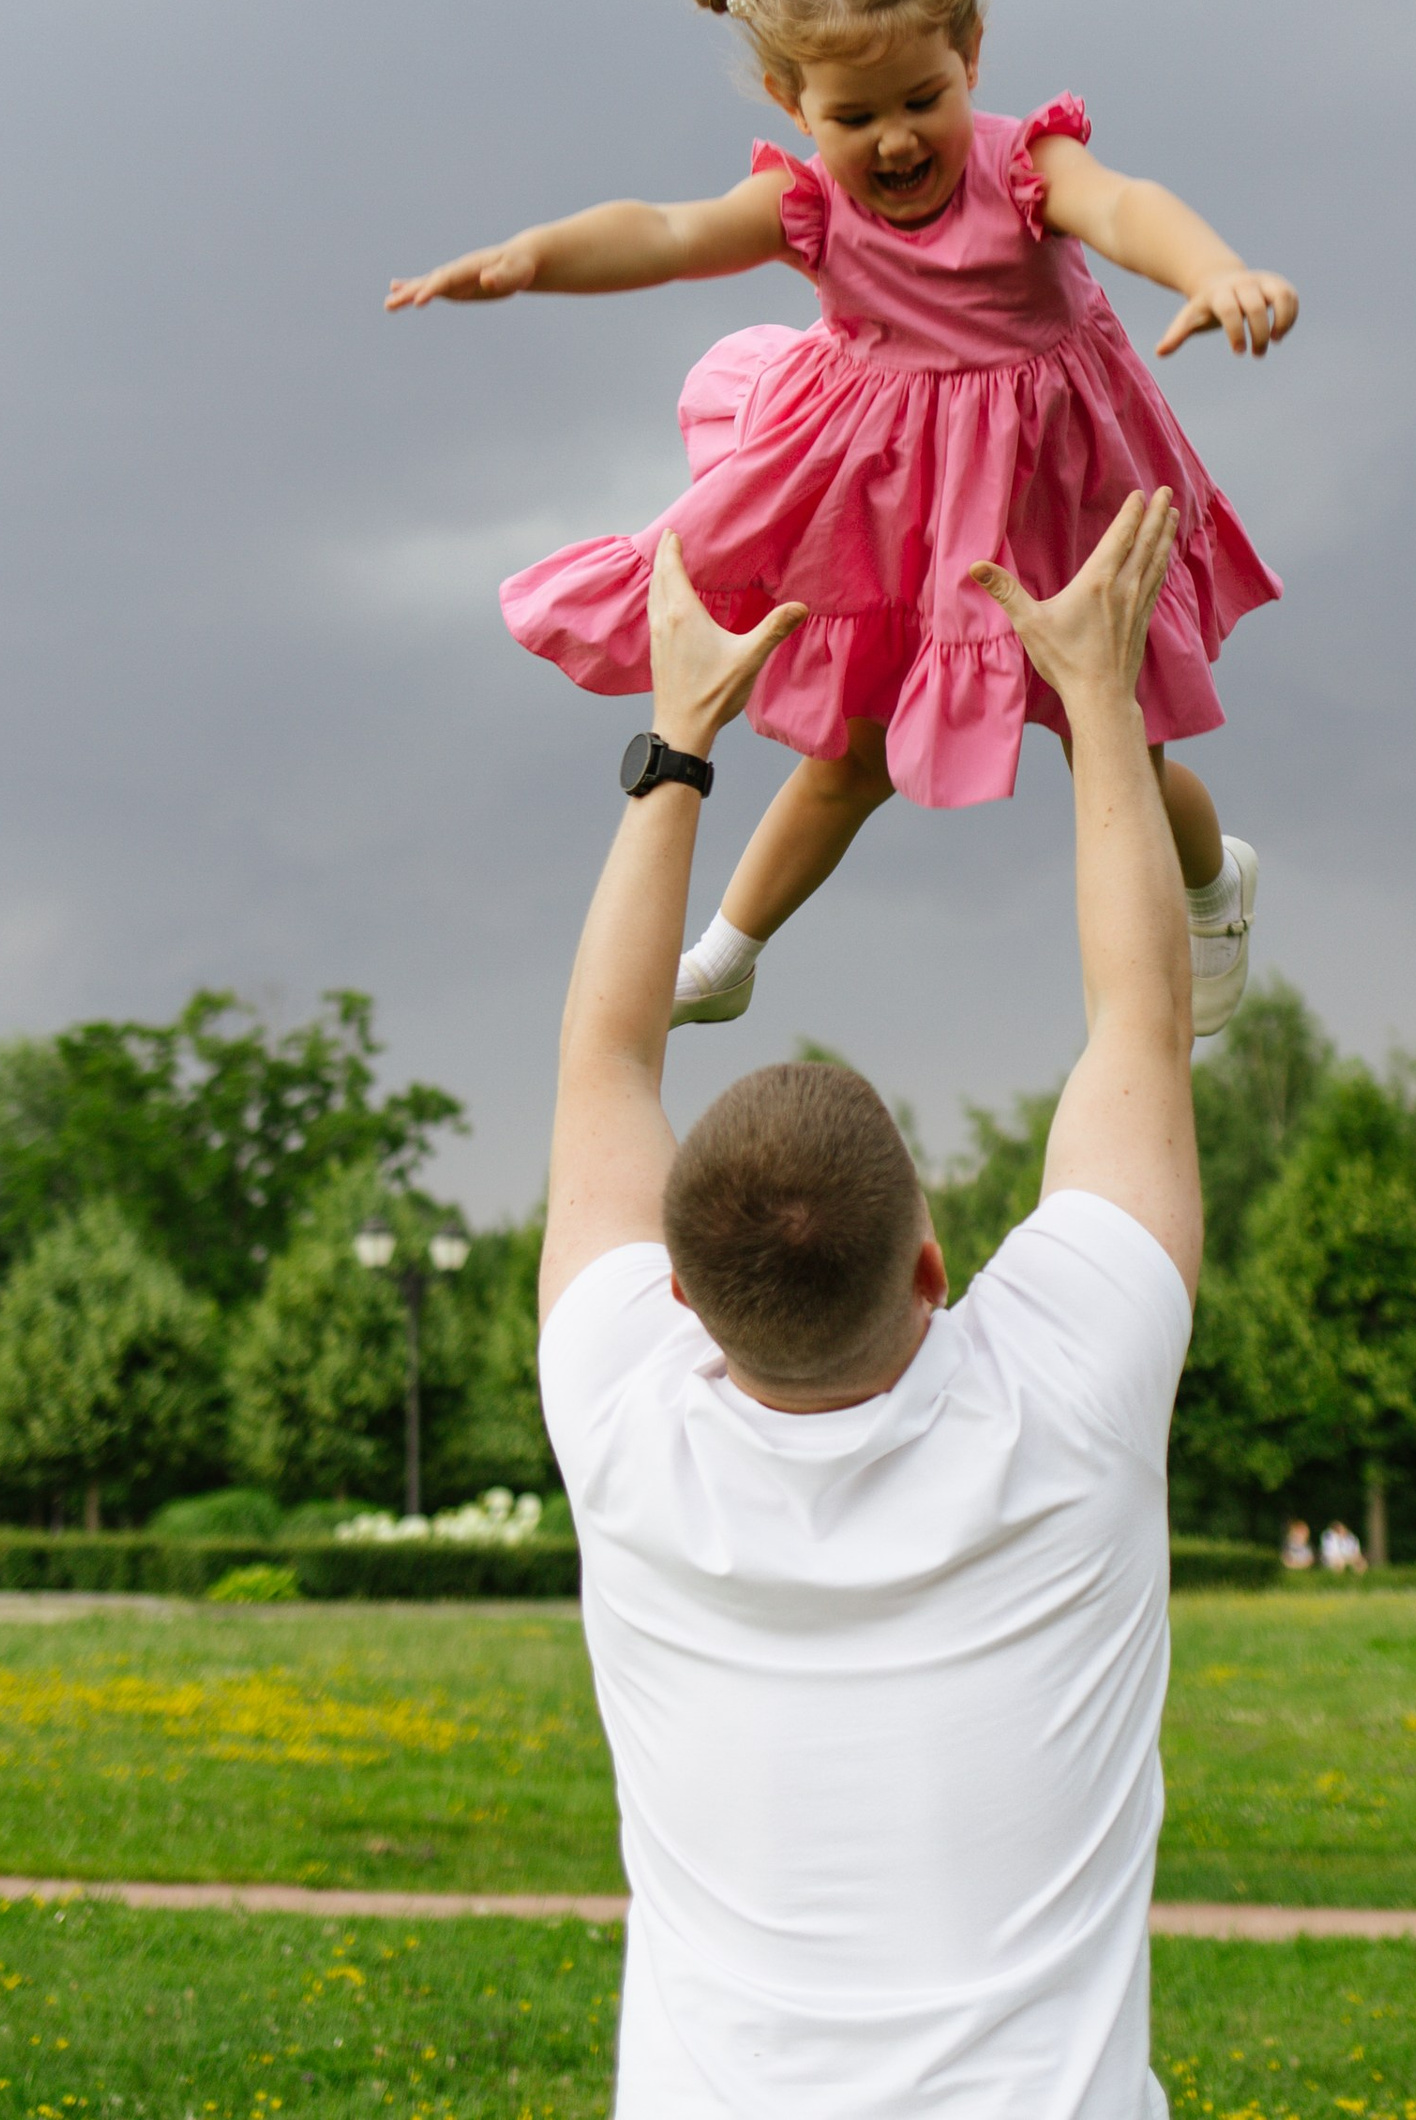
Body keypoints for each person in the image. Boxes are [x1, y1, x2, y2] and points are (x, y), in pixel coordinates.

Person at [537, 491, 1202, 2116]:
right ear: (934, 1263)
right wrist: (1099, 701)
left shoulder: (628, 1424)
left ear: (683, 1299)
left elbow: (603, 1058)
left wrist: (678, 736)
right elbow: (1143, 1017)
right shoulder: (1068, 1393)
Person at [390, 0, 1293, 1040]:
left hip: (1051, 486)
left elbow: (1125, 208)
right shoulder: (812, 207)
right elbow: (665, 234)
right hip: (891, 498)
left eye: (921, 98)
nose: (897, 139)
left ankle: (1214, 886)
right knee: (845, 752)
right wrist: (535, 255)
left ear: (971, 51)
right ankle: (727, 949)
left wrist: (1210, 269)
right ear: (789, 99)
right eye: (854, 118)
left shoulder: (1024, 169)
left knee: (1109, 739)